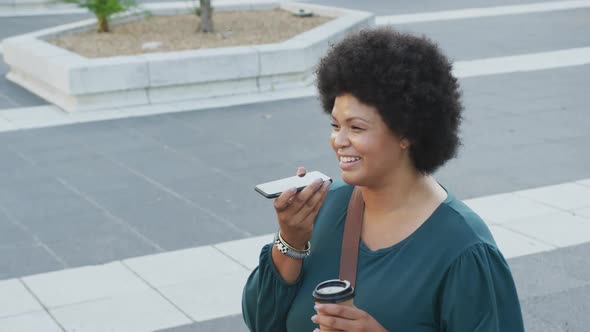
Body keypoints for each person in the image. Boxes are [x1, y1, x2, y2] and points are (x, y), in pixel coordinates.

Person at [242, 27, 525, 332]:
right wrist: (291, 241)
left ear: (407, 132)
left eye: (357, 128)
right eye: (336, 124)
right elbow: (261, 322)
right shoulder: (322, 208)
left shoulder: (465, 251)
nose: (339, 140)